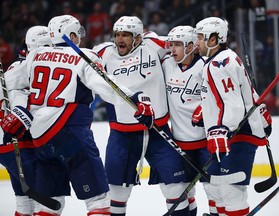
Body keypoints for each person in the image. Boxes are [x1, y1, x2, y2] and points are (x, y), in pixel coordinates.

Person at [1, 15, 154, 216]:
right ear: (71, 35)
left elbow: (11, 83)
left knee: (49, 204)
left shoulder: (35, 55)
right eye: (77, 33)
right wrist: (135, 100)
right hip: (71, 135)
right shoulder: (83, 56)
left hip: (41, 139)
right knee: (98, 201)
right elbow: (106, 86)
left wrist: (20, 109)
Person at [93, 16, 190, 216]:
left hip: (158, 132)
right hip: (121, 135)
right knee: (117, 193)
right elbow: (78, 62)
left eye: (126, 35)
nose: (120, 39)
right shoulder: (103, 52)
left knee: (176, 188)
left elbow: (186, 45)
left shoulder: (153, 44)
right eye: (117, 34)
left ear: (138, 37)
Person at [195, 17, 271, 215]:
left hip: (237, 135)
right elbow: (241, 94)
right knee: (218, 190)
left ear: (213, 40)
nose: (197, 42)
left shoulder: (217, 65)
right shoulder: (225, 57)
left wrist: (221, 130)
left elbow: (234, 105)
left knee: (231, 192)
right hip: (232, 134)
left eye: (201, 37)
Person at [0, 25, 52, 216]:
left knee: (24, 202)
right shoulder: (25, 68)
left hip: (11, 142)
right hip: (17, 143)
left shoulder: (18, 66)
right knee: (45, 199)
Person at [162, 25, 210, 216]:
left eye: (177, 45)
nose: (172, 49)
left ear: (190, 46)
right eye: (171, 44)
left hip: (205, 142)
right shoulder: (167, 65)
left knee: (214, 190)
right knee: (185, 191)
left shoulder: (206, 66)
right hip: (179, 143)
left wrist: (206, 108)